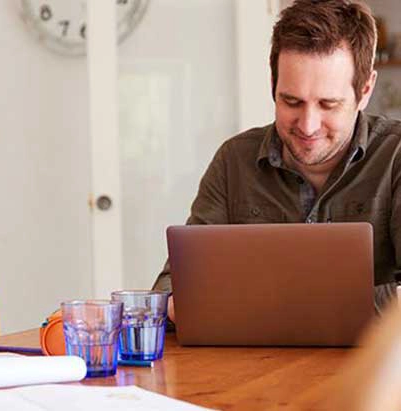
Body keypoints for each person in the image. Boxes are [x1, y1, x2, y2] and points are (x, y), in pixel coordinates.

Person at [153, 0, 401, 318]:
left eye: (328, 104)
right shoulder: (234, 161)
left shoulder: (394, 155)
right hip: (254, 365)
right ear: (273, 86)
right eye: (291, 101)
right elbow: (170, 291)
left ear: (365, 90)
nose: (308, 125)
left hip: (372, 366)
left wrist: (280, 307)